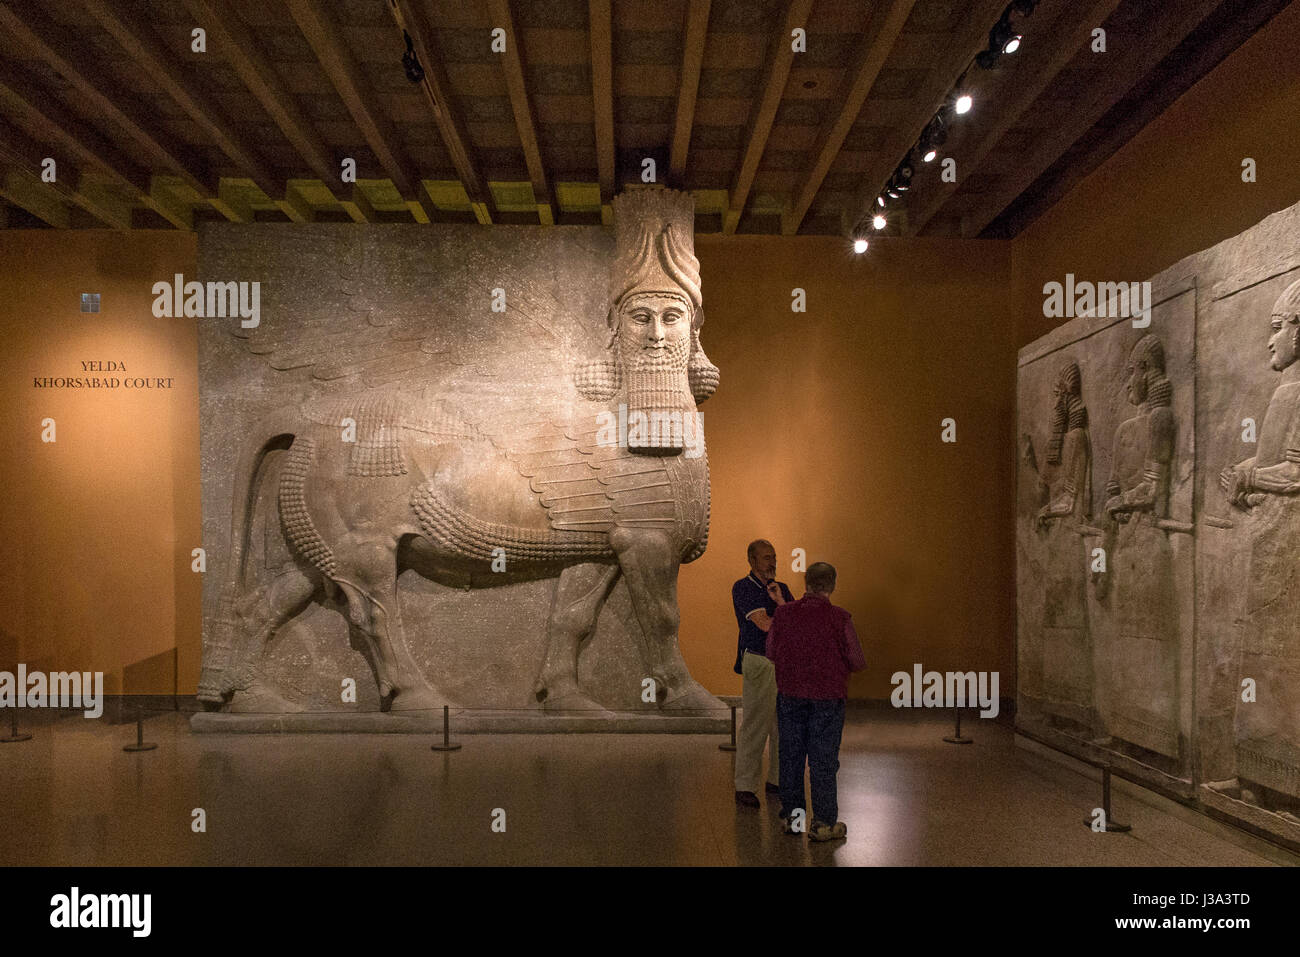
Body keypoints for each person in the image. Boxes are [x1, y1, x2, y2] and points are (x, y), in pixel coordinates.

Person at [766, 561, 865, 842]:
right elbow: (856, 660)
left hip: (790, 695)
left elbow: (771, 650)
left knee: (791, 757)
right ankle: (823, 823)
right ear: (832, 584)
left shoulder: (783, 615)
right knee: (822, 761)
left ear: (806, 583)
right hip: (827, 697)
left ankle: (793, 819)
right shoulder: (840, 618)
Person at [732, 539, 794, 808]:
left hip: (783, 663)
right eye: (767, 557)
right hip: (759, 660)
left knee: (784, 726)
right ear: (752, 561)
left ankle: (777, 780)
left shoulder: (783, 589)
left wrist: (780, 603)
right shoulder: (743, 587)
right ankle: (745, 785)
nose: (772, 562)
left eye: (774, 556)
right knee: (756, 724)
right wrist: (783, 611)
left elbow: (793, 624)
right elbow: (765, 625)